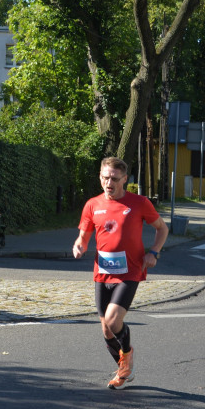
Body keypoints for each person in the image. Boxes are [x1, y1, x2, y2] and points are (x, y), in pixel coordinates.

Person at [73, 157, 168, 389]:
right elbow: (83, 237)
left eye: (114, 179)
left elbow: (162, 228)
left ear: (125, 180)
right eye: (105, 177)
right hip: (102, 272)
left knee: (114, 320)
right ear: (100, 177)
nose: (109, 182)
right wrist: (80, 246)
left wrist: (153, 252)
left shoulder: (139, 203)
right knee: (105, 328)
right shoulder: (92, 205)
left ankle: (127, 357)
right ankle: (124, 368)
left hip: (130, 270)